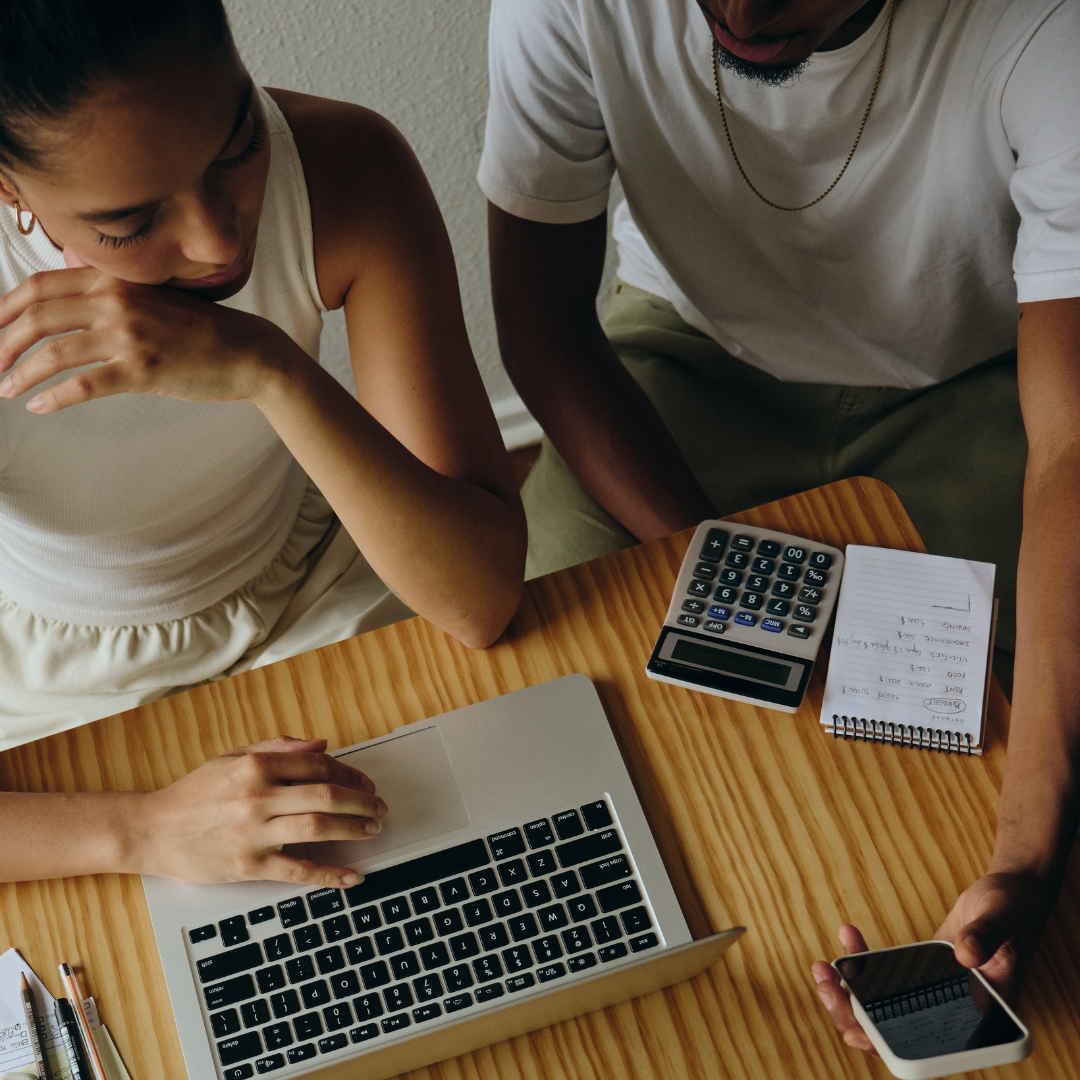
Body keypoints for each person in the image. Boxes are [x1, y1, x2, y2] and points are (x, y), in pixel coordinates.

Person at [478, 0, 1080, 1051]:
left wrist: (1026, 855)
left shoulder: (1049, 28)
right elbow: (545, 329)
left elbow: (1070, 449)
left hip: (981, 382)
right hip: (681, 365)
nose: (748, 10)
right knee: (528, 694)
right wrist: (740, 568)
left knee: (1020, 749)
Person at [0, 0, 526, 887]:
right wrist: (143, 831)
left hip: (315, 587)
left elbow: (479, 599)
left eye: (238, 146)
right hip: (53, 680)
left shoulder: (345, 165)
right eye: (129, 223)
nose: (217, 239)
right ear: (9, 189)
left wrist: (268, 368)